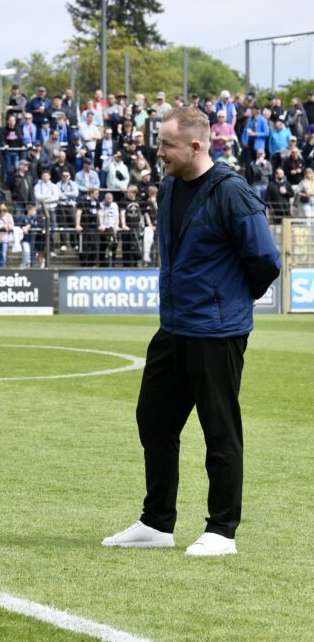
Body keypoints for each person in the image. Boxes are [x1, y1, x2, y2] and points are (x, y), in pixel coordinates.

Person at [102, 106, 280, 557]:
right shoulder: (168, 187)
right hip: (174, 328)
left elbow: (266, 259)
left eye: (167, 144)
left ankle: (222, 530)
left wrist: (237, 298)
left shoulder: (232, 192)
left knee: (220, 431)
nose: (158, 152)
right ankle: (157, 523)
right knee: (153, 419)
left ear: (196, 146)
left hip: (216, 332)